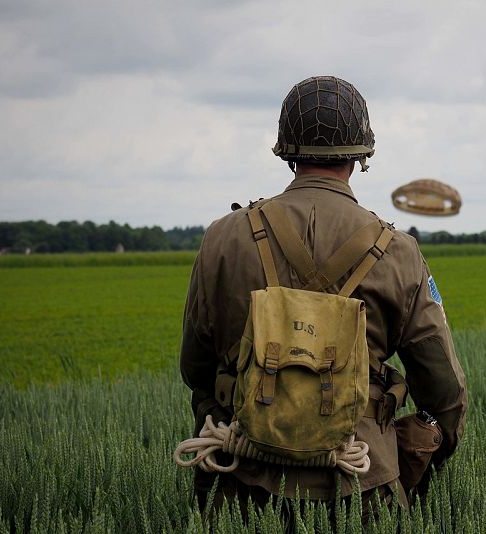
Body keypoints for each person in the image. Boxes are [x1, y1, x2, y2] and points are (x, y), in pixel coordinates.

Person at [179, 75, 467, 520]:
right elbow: (443, 387)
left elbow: (195, 367)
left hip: (240, 484)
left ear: (286, 150)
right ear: (361, 154)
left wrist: (235, 420)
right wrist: (427, 450)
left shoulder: (223, 238)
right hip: (364, 483)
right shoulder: (399, 251)